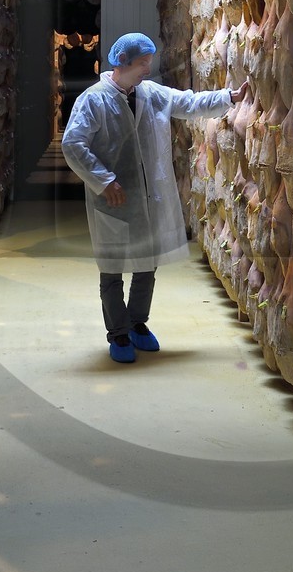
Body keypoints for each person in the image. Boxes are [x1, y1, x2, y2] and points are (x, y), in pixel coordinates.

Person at [62, 32, 249, 363]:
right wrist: (104, 181)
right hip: (113, 200)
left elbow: (187, 102)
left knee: (146, 266)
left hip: (147, 200)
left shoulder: (150, 94)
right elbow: (73, 144)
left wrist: (229, 97)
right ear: (122, 63)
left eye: (149, 63)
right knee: (113, 269)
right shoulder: (93, 100)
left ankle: (137, 324)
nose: (148, 69)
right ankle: (117, 333)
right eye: (142, 64)